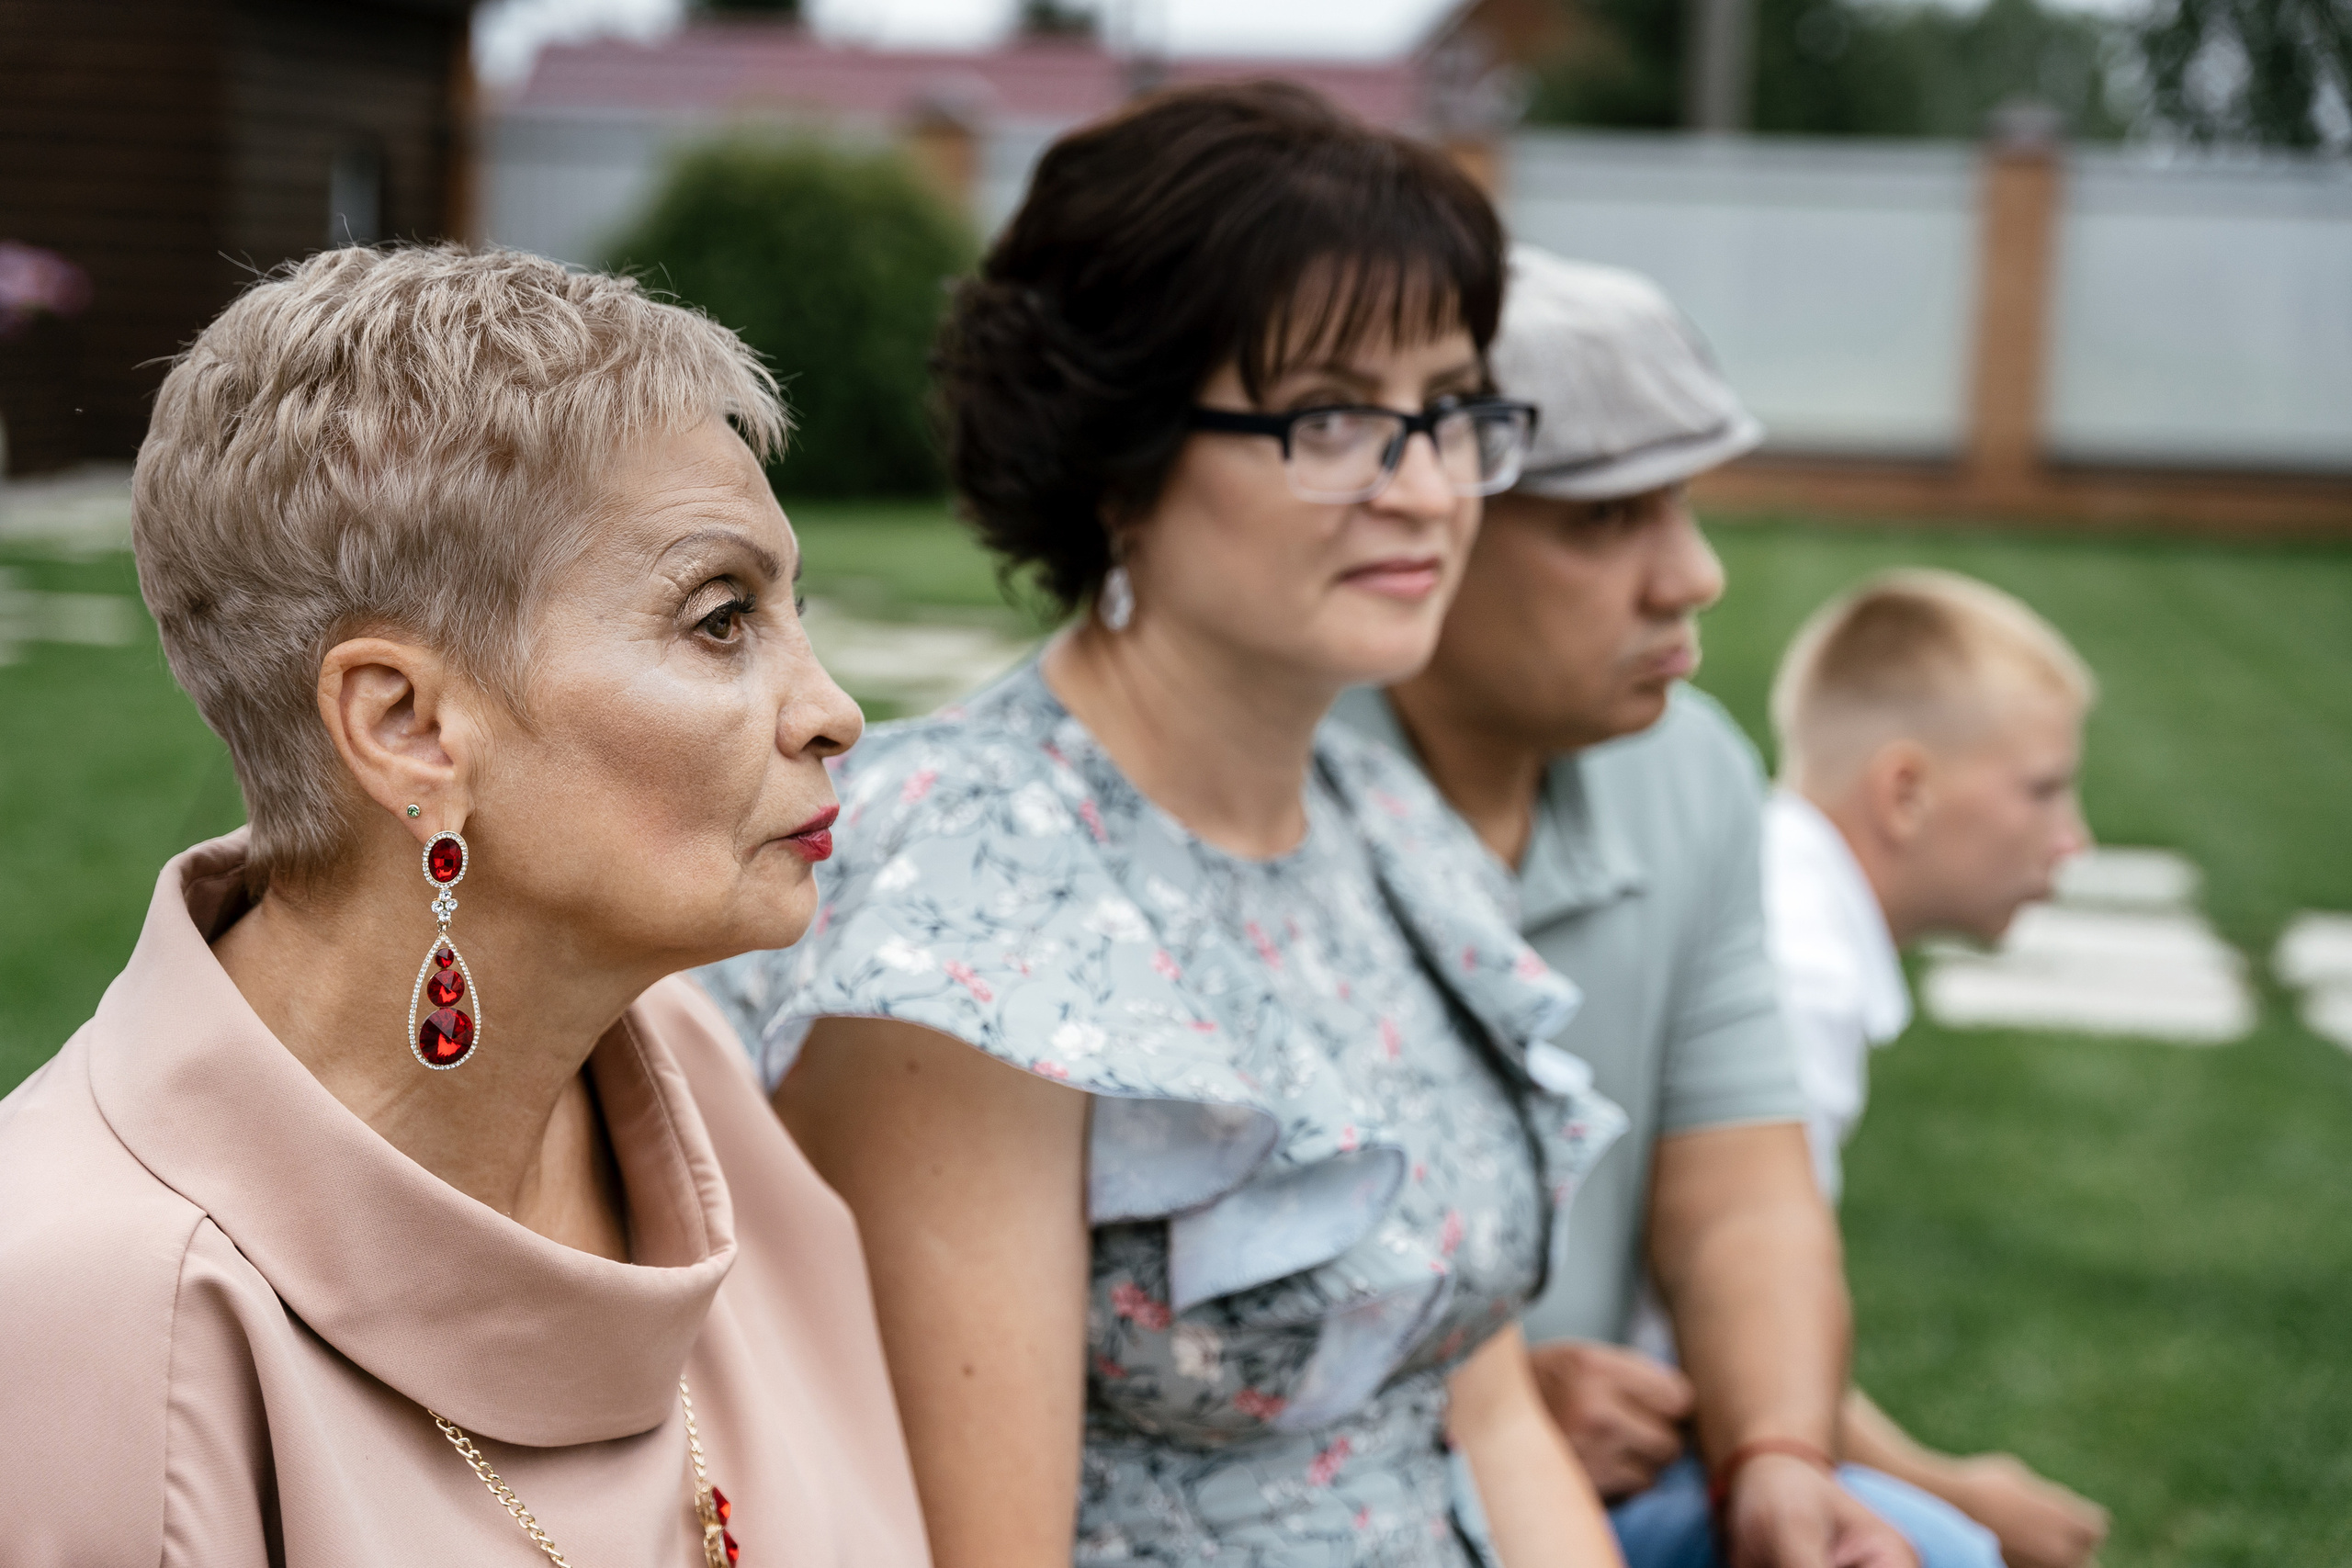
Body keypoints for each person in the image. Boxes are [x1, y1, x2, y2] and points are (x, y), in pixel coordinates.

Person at [697, 84, 1626, 1568]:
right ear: (1120, 458)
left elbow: (1493, 1416)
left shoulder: (1385, 825)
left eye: (1450, 409)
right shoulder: (970, 891)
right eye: (1333, 416)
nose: (1432, 486)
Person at [0, 245, 929, 1566]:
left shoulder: (692, 1084)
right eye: (722, 618)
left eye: (793, 610)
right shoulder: (87, 1327)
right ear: (409, 724)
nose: (833, 708)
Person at [1336, 247, 1999, 1568]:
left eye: (1682, 504)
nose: (1690, 573)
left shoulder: (1691, 769)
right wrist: (1493, 1399)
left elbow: (1744, 1196)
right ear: (1423, 517)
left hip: (1615, 1465)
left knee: (1926, 1549)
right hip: (1340, 1489)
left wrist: (1776, 1460)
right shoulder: (1268, 779)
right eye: (1601, 520)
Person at [1764, 570, 2109, 1568]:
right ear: (1904, 792)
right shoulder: (1800, 971)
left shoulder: (1781, 905)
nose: (2071, 835)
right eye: (2041, 789)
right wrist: (1953, 1493)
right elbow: (1739, 1322)